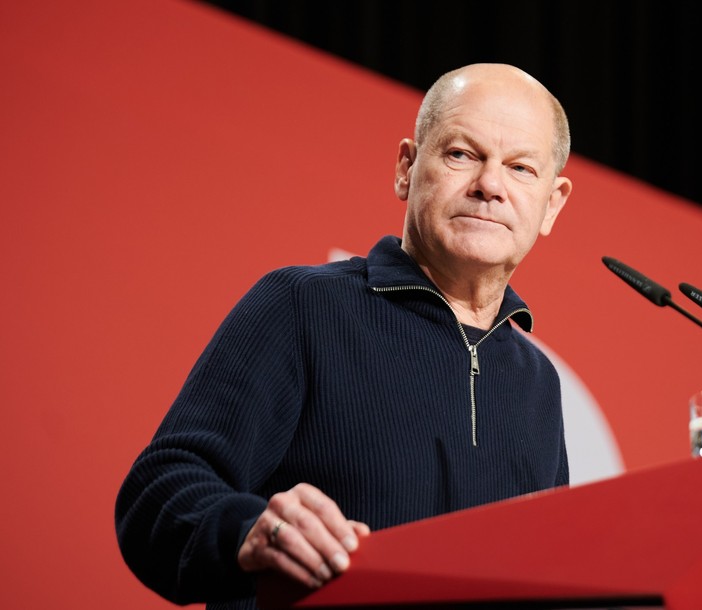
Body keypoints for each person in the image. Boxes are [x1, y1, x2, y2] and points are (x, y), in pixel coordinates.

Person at [115, 63, 573, 609]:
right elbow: (155, 496)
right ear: (406, 168)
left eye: (521, 168)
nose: (490, 185)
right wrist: (249, 531)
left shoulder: (538, 380)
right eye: (462, 154)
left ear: (552, 203)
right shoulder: (301, 305)